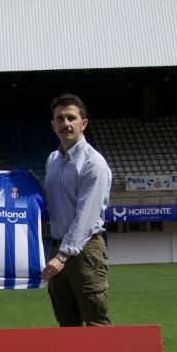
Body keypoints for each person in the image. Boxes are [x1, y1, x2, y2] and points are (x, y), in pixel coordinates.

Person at [40, 93, 113, 326]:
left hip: (85, 250)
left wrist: (62, 255)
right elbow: (47, 201)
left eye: (71, 117)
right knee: (67, 324)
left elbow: (86, 217)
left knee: (96, 323)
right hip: (58, 246)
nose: (65, 123)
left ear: (84, 123)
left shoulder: (94, 163)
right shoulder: (52, 159)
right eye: (60, 119)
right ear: (53, 125)